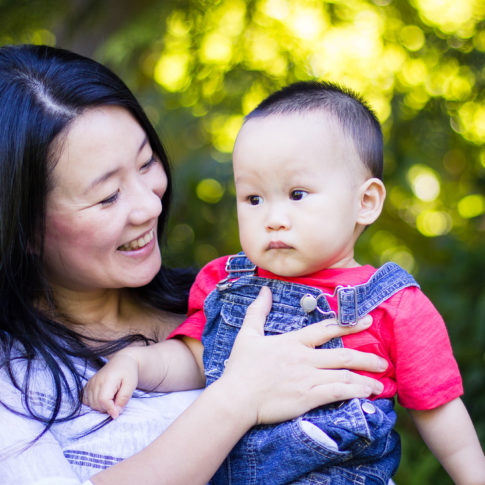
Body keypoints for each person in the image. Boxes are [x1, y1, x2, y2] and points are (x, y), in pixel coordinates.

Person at [0, 44, 393, 485]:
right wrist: (238, 397)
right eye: (108, 196)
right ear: (24, 227)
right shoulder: (11, 387)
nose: (149, 205)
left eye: (147, 162)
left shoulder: (227, 300)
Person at [84, 81, 485, 484]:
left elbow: (438, 408)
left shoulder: (393, 305)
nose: (272, 217)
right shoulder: (225, 282)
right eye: (254, 199)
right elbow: (194, 361)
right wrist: (136, 362)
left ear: (365, 202)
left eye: (297, 193)